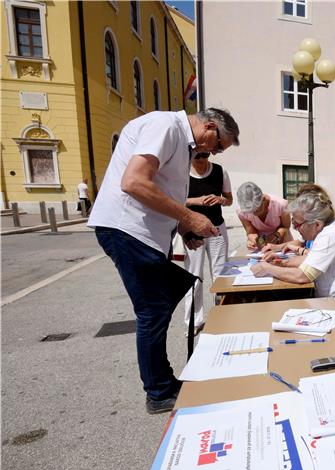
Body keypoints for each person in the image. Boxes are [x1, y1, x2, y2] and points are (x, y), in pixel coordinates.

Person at [88, 108, 240, 415]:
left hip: (143, 234)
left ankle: (164, 384)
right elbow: (134, 182)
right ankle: (158, 392)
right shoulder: (167, 126)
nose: (214, 152)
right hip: (128, 229)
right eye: (219, 145)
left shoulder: (181, 142)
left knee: (158, 308)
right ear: (209, 126)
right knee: (152, 311)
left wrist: (182, 227)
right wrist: (187, 216)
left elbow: (161, 189)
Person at [251, 186, 335, 325]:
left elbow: (303, 276)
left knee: (285, 319)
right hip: (333, 302)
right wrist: (282, 263)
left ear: (316, 224)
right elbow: (310, 259)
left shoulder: (329, 236)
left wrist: (268, 269)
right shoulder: (328, 229)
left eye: (298, 224)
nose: (294, 228)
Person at [182, 152, 233, 334]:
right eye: (197, 157)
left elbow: (229, 199)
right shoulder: (182, 171)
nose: (200, 161)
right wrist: (195, 201)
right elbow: (174, 200)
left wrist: (220, 199)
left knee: (220, 274)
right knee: (194, 275)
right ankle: (193, 321)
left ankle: (222, 316)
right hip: (192, 229)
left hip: (216, 228)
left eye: (204, 157)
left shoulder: (220, 171)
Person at [235, 182, 291, 251]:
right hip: (261, 246)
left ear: (263, 200)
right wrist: (254, 241)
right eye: (251, 212)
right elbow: (250, 231)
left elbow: (286, 227)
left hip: (282, 242)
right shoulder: (241, 211)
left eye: (257, 210)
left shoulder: (280, 204)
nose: (255, 214)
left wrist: (274, 237)